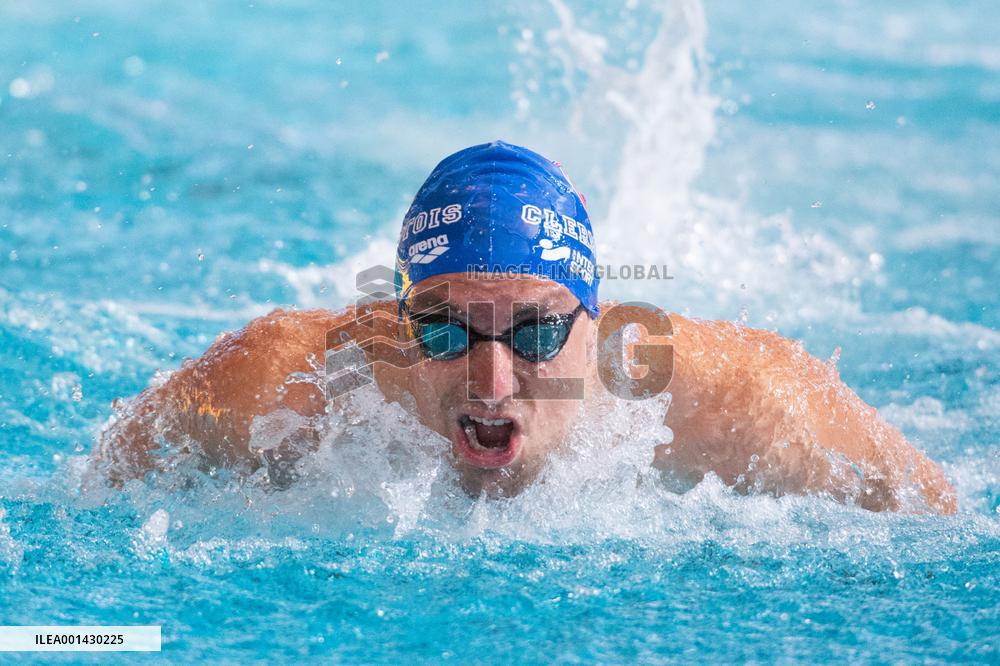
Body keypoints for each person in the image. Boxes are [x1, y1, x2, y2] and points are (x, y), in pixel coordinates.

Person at [95, 141, 956, 513]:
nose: (492, 382)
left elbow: (939, 518)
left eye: (537, 335)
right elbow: (90, 498)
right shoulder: (275, 386)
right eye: (442, 332)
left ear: (596, 321)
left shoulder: (738, 406)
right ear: (396, 327)